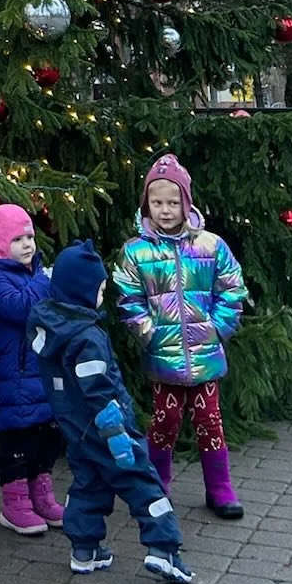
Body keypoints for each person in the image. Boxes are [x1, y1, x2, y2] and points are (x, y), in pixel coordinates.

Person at [28, 238, 193, 584]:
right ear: (82, 291)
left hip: (77, 431)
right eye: (100, 289)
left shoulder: (53, 329)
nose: (103, 295)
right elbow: (98, 388)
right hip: (108, 427)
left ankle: (84, 549)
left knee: (89, 484)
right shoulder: (86, 337)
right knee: (141, 481)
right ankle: (163, 549)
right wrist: (117, 433)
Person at [113, 152, 248, 519]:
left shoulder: (211, 246)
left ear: (186, 203)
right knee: (165, 421)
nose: (166, 210)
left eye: (173, 203)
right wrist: (149, 333)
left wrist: (218, 328)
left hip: (205, 355)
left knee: (210, 421)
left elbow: (232, 289)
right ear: (147, 204)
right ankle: (157, 484)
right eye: (157, 203)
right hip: (164, 356)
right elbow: (128, 299)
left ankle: (220, 487)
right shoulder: (136, 252)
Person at [0, 203, 64, 535]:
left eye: (30, 237)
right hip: (16, 374)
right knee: (19, 438)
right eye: (18, 239)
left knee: (47, 436)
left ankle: (41, 495)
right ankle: (14, 504)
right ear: (0, 244)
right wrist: (44, 281)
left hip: (43, 370)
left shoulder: (36, 274)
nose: (27, 244)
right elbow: (19, 307)